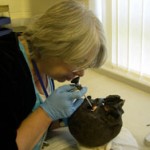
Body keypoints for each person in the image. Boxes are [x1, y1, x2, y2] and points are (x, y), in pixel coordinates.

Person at [0, 0, 107, 150]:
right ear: (55, 45)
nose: (81, 73)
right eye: (78, 63)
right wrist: (46, 113)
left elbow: (26, 118)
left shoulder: (44, 63)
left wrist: (62, 118)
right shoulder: (6, 69)